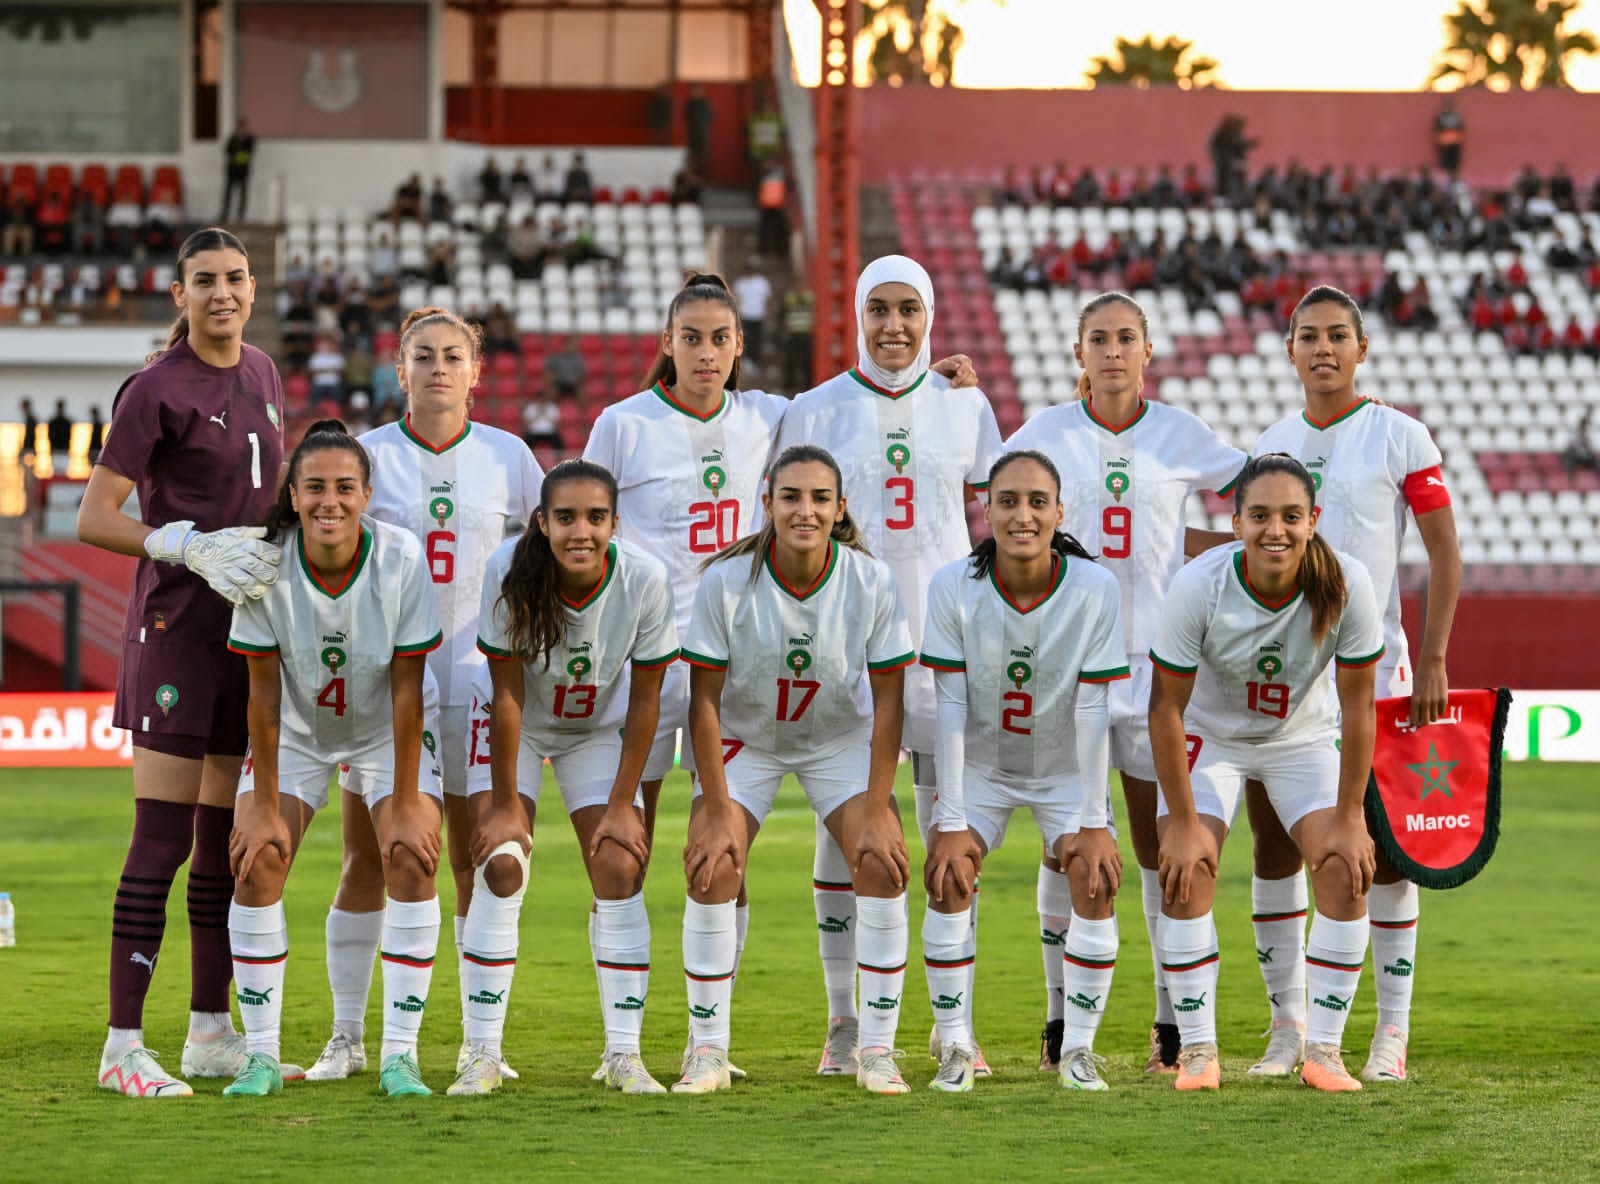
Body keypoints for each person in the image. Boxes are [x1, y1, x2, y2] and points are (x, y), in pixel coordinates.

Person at [1004, 291, 1246, 1075]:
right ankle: (1055, 1023)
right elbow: (998, 499)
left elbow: (1255, 497)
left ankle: (1171, 1024)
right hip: (1064, 668)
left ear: (1149, 352)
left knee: (1153, 843)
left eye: (1126, 338)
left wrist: (1193, 563)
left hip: (1155, 671)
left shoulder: (1182, 432)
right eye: (1098, 339)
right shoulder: (1043, 432)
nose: (1113, 351)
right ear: (1078, 353)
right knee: (1067, 847)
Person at [303, 306, 543, 1086]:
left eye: (453, 356)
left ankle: (482, 1045)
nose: (438, 367)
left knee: (476, 864)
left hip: (477, 683)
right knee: (369, 859)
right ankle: (347, 1038)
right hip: (386, 687)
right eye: (422, 356)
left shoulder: (511, 459)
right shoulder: (365, 457)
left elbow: (548, 560)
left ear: (478, 371)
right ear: (398, 370)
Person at [774, 254, 999, 1078]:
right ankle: (844, 1023)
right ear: (857, 317)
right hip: (843, 648)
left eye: (909, 309)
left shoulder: (966, 404)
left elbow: (1000, 510)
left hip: (946, 651)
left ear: (931, 314)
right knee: (848, 834)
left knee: (950, 837)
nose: (895, 326)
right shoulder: (814, 407)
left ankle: (952, 1026)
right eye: (880, 309)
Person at [76, 227, 286, 1097]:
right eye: (205, 281)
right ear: (179, 293)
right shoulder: (153, 389)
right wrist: (183, 544)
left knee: (215, 846)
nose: (224, 294)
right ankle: (122, 1045)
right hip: (173, 633)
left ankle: (208, 1029)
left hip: (244, 634)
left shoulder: (265, 372)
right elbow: (94, 516)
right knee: (159, 837)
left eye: (235, 278)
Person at [1246, 286, 1461, 1084]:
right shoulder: (1272, 442)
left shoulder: (1399, 434)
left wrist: (1434, 658)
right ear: (1291, 349)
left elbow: (1443, 552)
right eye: (1310, 336)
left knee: (1390, 859)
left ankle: (1390, 1034)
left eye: (1339, 335)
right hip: (1286, 681)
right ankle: (1288, 1026)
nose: (1324, 348)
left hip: (1383, 675)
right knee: (1276, 848)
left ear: (1362, 349)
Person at [581, 273, 790, 1081]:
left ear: (740, 347)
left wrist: (945, 389)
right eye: (691, 337)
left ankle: (711, 1038)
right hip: (634, 660)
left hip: (731, 667)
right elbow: (584, 523)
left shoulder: (768, 417)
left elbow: (862, 411)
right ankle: (621, 1046)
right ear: (667, 343)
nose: (706, 352)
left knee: (721, 852)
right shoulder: (622, 425)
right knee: (622, 849)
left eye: (720, 339)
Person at [676, 444, 916, 1095]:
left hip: (837, 739)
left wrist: (877, 795)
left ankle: (871, 1045)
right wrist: (718, 804)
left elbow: (891, 695)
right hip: (745, 738)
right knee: (711, 859)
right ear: (768, 504)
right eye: (791, 497)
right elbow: (701, 699)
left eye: (818, 498)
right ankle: (707, 1049)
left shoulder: (869, 580)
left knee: (883, 856)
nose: (804, 510)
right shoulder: (726, 580)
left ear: (839, 509)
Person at [224, 421, 444, 1097]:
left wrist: (406, 798)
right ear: (292, 495)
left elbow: (408, 685)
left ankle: (398, 1056)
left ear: (367, 494)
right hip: (294, 729)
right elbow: (261, 693)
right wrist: (262, 805)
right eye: (315, 486)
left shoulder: (402, 557)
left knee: (408, 855)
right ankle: (261, 1056)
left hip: (387, 728)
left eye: (345, 487)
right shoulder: (265, 562)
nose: (330, 501)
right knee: (256, 859)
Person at [1150, 453, 1383, 1093]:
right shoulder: (1200, 584)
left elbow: (1359, 703)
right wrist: (1180, 820)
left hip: (1299, 739)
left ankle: (1322, 1050)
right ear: (1235, 522)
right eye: (1259, 516)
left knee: (1343, 862)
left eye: (1289, 516)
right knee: (1187, 863)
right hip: (1212, 737)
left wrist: (1352, 812)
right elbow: (1165, 708)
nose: (1273, 530)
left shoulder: (1348, 582)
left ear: (1314, 521)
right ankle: (1198, 1051)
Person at [460, 459, 679, 1095]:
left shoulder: (643, 578)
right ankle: (481, 1052)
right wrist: (505, 804)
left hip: (599, 728)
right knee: (500, 865)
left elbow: (646, 701)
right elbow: (505, 695)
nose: (580, 530)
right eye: (565, 517)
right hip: (518, 723)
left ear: (615, 522)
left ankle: (624, 1054)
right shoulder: (509, 569)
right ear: (542, 522)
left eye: (595, 517)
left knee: (619, 863)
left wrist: (620, 804)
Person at [918, 450, 1129, 1093]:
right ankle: (955, 1045)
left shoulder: (1096, 587)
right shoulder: (954, 585)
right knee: (947, 870)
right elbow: (949, 707)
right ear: (986, 508)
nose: (1022, 514)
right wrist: (949, 819)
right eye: (1007, 500)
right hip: (983, 763)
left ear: (1060, 511)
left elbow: (1095, 709)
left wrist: (1094, 820)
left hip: (1065, 768)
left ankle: (1078, 1052)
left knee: (1096, 874)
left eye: (1038, 501)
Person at [733, 259, 772, 365]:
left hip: (758, 315)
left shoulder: (762, 282)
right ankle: (747, 360)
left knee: (757, 339)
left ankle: (755, 361)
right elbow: (737, 300)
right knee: (746, 339)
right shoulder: (740, 283)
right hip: (745, 315)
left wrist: (767, 314)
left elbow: (766, 300)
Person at [221, 119, 257, 223]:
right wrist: (232, 159)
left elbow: (249, 154)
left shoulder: (250, 139)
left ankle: (240, 215)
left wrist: (237, 159)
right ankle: (225, 214)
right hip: (231, 170)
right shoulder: (232, 138)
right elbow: (227, 151)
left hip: (243, 170)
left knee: (243, 193)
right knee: (228, 193)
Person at [1561, 411, 1598, 476]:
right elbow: (1571, 444)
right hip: (1575, 455)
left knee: (1594, 461)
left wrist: (1588, 446)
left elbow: (1591, 447)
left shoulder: (1588, 434)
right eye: (1583, 424)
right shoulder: (1574, 433)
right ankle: (1570, 476)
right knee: (1570, 456)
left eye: (1585, 424)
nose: (1584, 426)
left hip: (1585, 455)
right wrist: (1581, 441)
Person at [46, 399, 73, 468]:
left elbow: (49, 436)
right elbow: (69, 437)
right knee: (63, 472)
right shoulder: (67, 422)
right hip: (63, 450)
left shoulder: (52, 422)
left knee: (56, 472)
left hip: (56, 450)